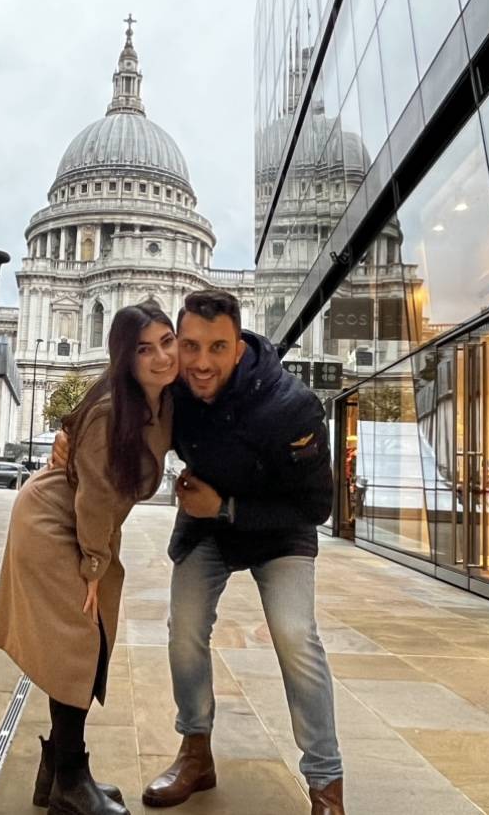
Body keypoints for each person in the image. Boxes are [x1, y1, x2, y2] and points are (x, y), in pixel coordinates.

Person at [55, 289, 344, 814]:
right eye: (189, 346)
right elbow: (122, 390)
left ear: (240, 346)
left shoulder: (292, 405)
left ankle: (326, 784)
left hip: (279, 532)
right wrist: (72, 427)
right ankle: (196, 752)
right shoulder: (176, 390)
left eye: (217, 348)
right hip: (205, 529)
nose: (201, 363)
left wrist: (226, 507)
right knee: (184, 629)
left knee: (295, 635)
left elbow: (317, 505)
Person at [0, 302, 178, 815]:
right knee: (79, 641)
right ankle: (70, 779)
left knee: (85, 641)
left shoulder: (166, 401)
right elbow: (94, 495)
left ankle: (57, 774)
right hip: (54, 520)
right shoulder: (113, 409)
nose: (162, 357)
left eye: (167, 342)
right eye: (145, 349)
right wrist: (94, 565)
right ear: (126, 358)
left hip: (85, 523)